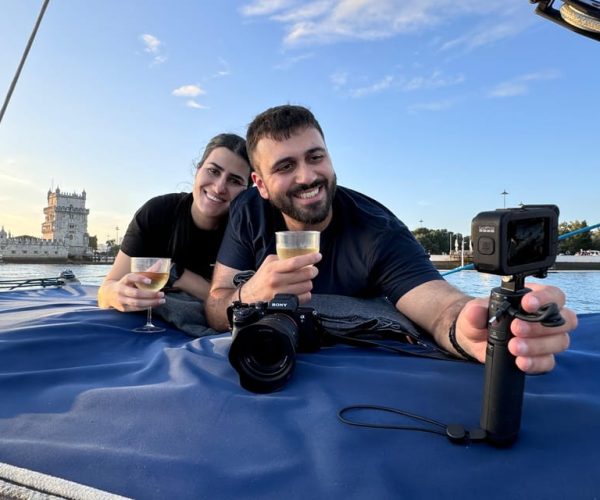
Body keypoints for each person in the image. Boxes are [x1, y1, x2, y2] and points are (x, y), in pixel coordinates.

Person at [205, 105, 577, 374]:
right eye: (285, 166)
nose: (307, 177)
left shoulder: (377, 231)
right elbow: (216, 302)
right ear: (260, 184)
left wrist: (471, 329)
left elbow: (440, 306)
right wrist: (249, 293)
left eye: (315, 157)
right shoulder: (248, 210)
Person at [98, 133, 251, 317]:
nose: (219, 187)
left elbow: (244, 301)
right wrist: (117, 294)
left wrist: (176, 274)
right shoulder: (157, 212)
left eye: (234, 180)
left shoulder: (248, 230)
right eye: (213, 171)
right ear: (198, 170)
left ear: (248, 191)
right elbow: (106, 290)